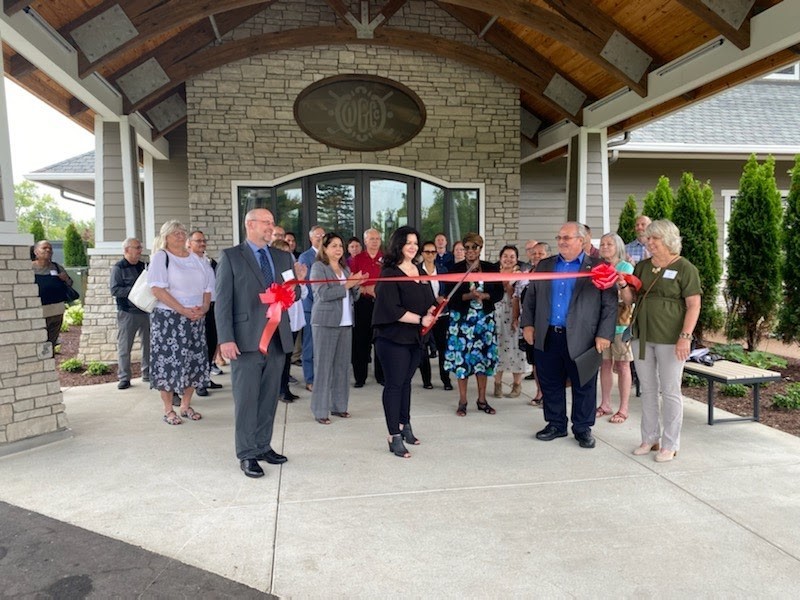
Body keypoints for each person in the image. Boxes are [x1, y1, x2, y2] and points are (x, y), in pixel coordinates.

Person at [215, 208, 305, 478]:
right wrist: (225, 339)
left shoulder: (283, 257)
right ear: (250, 224)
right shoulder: (231, 256)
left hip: (277, 339)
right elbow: (223, 302)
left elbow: (293, 294)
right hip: (245, 341)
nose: (271, 227)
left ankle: (263, 445)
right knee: (246, 400)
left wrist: (298, 282)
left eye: (272, 223)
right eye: (266, 222)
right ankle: (247, 453)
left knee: (268, 398)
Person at [521, 222, 617, 449]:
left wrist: (604, 334)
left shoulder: (599, 267)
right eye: (559, 237)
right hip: (548, 334)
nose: (561, 241)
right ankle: (556, 424)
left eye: (567, 237)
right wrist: (528, 325)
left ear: (581, 241)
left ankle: (582, 428)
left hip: (585, 338)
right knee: (550, 382)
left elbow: (610, 304)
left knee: (584, 384)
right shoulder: (545, 265)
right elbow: (531, 297)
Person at [620, 219, 701, 463]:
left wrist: (685, 337)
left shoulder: (685, 268)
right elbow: (630, 300)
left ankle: (670, 444)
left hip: (671, 338)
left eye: (655, 238)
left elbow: (693, 305)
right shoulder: (643, 266)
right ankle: (649, 438)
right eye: (648, 238)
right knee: (647, 389)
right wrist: (622, 285)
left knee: (670, 390)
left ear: (668, 240)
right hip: (642, 336)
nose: (649, 242)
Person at [373, 226, 436, 458]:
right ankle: (393, 435)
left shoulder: (418, 270)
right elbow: (392, 309)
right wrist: (420, 319)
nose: (413, 246)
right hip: (392, 338)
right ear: (398, 244)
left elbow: (428, 298)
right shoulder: (390, 273)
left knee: (406, 383)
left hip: (415, 338)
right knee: (395, 384)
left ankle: (404, 425)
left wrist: (433, 309)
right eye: (408, 242)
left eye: (415, 243)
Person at [148, 220, 213, 426]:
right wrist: (182, 310)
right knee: (168, 364)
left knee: (193, 362)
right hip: (169, 319)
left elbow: (208, 288)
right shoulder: (161, 257)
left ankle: (185, 405)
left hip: (195, 318)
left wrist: (204, 308)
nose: (180, 235)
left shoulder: (197, 259)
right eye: (175, 232)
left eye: (182, 231)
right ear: (166, 236)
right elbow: (157, 289)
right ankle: (168, 410)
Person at [444, 233, 503, 416]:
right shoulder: (454, 269)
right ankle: (462, 401)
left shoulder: (490, 268)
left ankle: (482, 400)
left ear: (480, 248)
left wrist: (485, 296)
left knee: (482, 361)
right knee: (462, 361)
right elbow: (449, 296)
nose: (470, 251)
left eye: (474, 247)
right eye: (467, 247)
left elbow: (499, 293)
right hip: (461, 322)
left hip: (484, 322)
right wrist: (468, 296)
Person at [310, 233, 366, 424]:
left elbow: (353, 296)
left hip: (345, 322)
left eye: (340, 246)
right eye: (333, 246)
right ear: (324, 248)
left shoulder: (345, 268)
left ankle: (339, 406)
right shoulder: (319, 267)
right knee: (323, 368)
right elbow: (323, 294)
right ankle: (320, 410)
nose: (338, 249)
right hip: (325, 322)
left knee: (342, 368)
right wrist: (347, 285)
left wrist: (356, 284)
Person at [595, 233, 635, 423]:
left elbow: (629, 299)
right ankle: (605, 404)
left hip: (621, 323)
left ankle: (624, 408)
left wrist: (621, 284)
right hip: (602, 323)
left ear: (618, 246)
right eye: (602, 244)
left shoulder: (626, 267)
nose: (605, 247)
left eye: (609, 244)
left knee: (623, 364)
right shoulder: (597, 267)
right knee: (604, 364)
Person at [109, 237, 150, 389]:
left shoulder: (144, 266)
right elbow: (115, 290)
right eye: (137, 248)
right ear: (127, 250)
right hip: (127, 312)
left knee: (149, 345)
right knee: (125, 346)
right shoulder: (118, 268)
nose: (140, 250)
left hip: (145, 311)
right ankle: (124, 377)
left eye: (140, 247)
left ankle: (148, 373)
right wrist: (135, 291)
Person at [188, 230, 223, 397]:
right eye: (198, 241)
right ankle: (198, 383)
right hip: (197, 308)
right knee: (198, 347)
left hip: (212, 307)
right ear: (189, 243)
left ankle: (206, 377)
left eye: (204, 240)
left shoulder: (208, 261)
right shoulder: (187, 261)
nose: (202, 243)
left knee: (211, 343)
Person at [350, 228, 384, 387]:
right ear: (365, 241)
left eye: (377, 238)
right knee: (361, 342)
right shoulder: (357, 259)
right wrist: (365, 289)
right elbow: (351, 281)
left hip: (381, 304)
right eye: (372, 239)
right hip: (362, 304)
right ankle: (360, 377)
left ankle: (381, 376)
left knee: (381, 340)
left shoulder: (386, 259)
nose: (375, 241)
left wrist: (377, 289)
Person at [272, 239, 305, 403]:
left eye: (289, 252)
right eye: (284, 252)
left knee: (288, 356)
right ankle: (280, 389)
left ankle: (285, 387)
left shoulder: (292, 271)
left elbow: (302, 294)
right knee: (281, 357)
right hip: (283, 319)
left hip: (295, 318)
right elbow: (282, 295)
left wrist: (301, 281)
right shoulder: (276, 272)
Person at [493, 245, 528, 399]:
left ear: (517, 259)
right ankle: (497, 383)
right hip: (497, 313)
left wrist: (508, 284)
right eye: (505, 256)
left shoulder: (520, 275)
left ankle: (517, 384)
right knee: (498, 348)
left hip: (514, 312)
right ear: (500, 258)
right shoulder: (493, 273)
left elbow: (517, 295)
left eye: (512, 256)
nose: (508, 259)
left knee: (515, 349)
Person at [418, 240, 453, 391]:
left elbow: (448, 289)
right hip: (424, 315)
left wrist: (443, 297)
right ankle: (426, 380)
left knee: (442, 348)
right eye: (427, 252)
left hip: (441, 314)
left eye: (433, 252)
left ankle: (446, 379)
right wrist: (432, 301)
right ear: (422, 253)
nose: (430, 254)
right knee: (423, 348)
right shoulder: (416, 271)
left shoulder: (443, 270)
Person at [31, 240, 74, 351]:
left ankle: (49, 360)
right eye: (44, 248)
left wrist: (66, 279)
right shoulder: (29, 268)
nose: (48, 250)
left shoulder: (57, 267)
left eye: (50, 248)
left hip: (56, 313)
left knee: (51, 344)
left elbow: (70, 283)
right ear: (36, 252)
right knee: (38, 344)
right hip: (38, 313)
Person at [298, 225, 325, 392]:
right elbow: (306, 284)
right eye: (317, 236)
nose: (320, 238)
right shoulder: (305, 257)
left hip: (326, 307)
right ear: (310, 238)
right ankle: (310, 378)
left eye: (323, 235)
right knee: (310, 345)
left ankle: (322, 377)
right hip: (311, 307)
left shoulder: (328, 255)